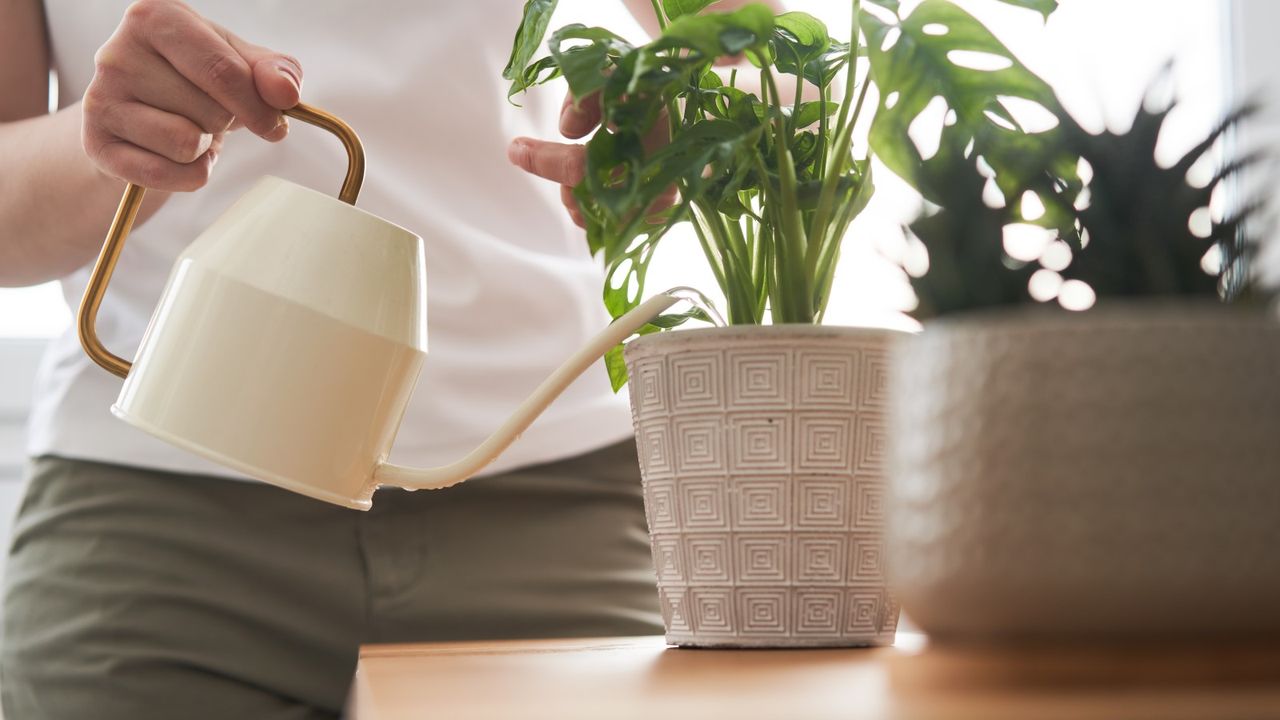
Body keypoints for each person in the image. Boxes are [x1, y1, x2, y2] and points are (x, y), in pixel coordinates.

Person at [0, 0, 776, 717]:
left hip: (550, 483)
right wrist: (111, 142)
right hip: (153, 518)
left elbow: (766, 57)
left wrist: (690, 117)